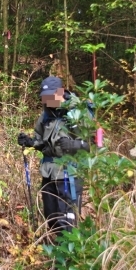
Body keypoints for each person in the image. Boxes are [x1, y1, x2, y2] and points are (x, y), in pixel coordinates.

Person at [17, 76, 91, 234]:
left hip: (70, 173)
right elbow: (41, 141)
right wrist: (30, 142)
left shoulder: (79, 112)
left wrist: (75, 145)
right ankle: (54, 254)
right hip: (49, 174)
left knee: (68, 221)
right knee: (51, 217)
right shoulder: (46, 115)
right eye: (44, 97)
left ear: (60, 93)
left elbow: (97, 143)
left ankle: (70, 256)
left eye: (50, 96)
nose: (46, 100)